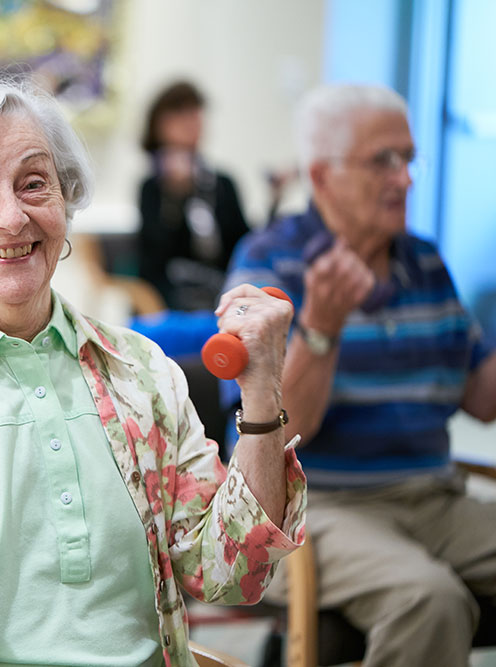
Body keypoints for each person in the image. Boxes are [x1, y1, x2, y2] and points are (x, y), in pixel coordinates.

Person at [0, 78, 306, 666]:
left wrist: (262, 389)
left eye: (34, 184)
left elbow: (233, 574)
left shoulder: (140, 372)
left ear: (65, 201)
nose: (13, 218)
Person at [223, 83, 496, 667]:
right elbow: (277, 431)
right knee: (430, 600)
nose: (405, 179)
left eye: (408, 159)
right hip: (316, 511)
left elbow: (483, 397)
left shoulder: (423, 262)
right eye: (383, 161)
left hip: (433, 497)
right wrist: (320, 330)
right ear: (321, 177)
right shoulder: (268, 262)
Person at [137, 80, 250, 311]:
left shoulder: (223, 183)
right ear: (159, 124)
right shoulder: (152, 188)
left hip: (223, 293)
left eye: (196, 113)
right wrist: (175, 198)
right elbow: (154, 260)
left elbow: (242, 246)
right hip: (169, 300)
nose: (193, 122)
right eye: (181, 114)